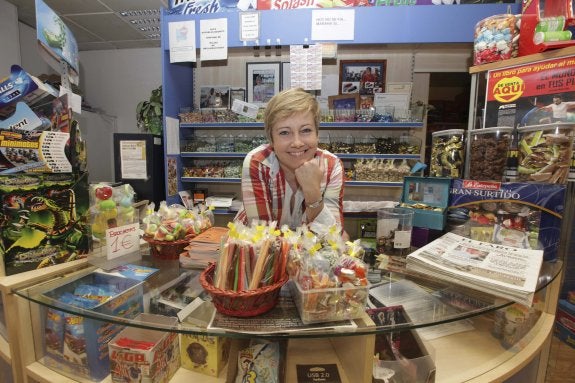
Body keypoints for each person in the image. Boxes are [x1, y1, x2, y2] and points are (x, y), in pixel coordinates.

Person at [234, 88, 345, 233]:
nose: (297, 143)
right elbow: (261, 238)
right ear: (271, 140)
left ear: (317, 134)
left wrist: (312, 192)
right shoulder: (258, 162)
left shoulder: (332, 166)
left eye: (306, 130)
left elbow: (332, 239)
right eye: (284, 132)